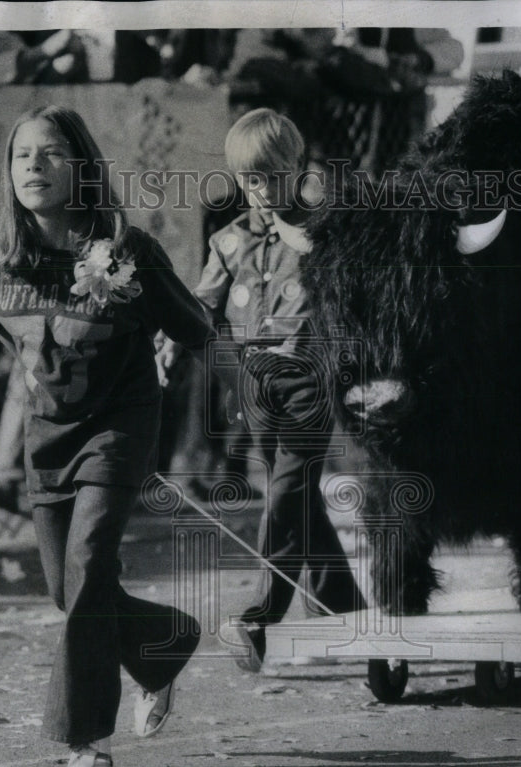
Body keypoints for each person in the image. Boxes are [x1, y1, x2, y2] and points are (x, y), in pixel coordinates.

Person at [0, 106, 212, 767]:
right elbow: (23, 361)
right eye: (21, 156)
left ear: (81, 165)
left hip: (120, 427)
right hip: (47, 437)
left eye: (49, 154)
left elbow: (196, 328)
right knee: (65, 588)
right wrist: (7, 447)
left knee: (89, 569)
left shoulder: (127, 249)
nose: (33, 168)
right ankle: (164, 639)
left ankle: (84, 738)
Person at [157, 108, 367, 672]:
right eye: (253, 179)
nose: (265, 190)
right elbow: (202, 303)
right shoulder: (228, 240)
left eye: (277, 176)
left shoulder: (321, 231)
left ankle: (260, 617)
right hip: (253, 381)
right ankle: (344, 608)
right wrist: (171, 339)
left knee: (286, 490)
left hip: (308, 378)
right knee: (294, 495)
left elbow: (353, 288)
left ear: (298, 170)